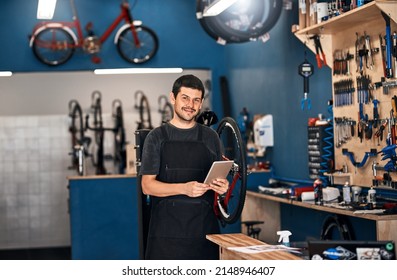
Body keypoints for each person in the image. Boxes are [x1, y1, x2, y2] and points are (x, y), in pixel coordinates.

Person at [139, 74, 229, 260]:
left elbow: (217, 182)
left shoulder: (211, 137)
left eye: (196, 100)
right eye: (185, 98)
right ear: (173, 98)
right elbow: (147, 185)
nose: (191, 105)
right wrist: (184, 188)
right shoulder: (156, 137)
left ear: (202, 102)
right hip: (166, 238)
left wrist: (222, 187)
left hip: (204, 234)